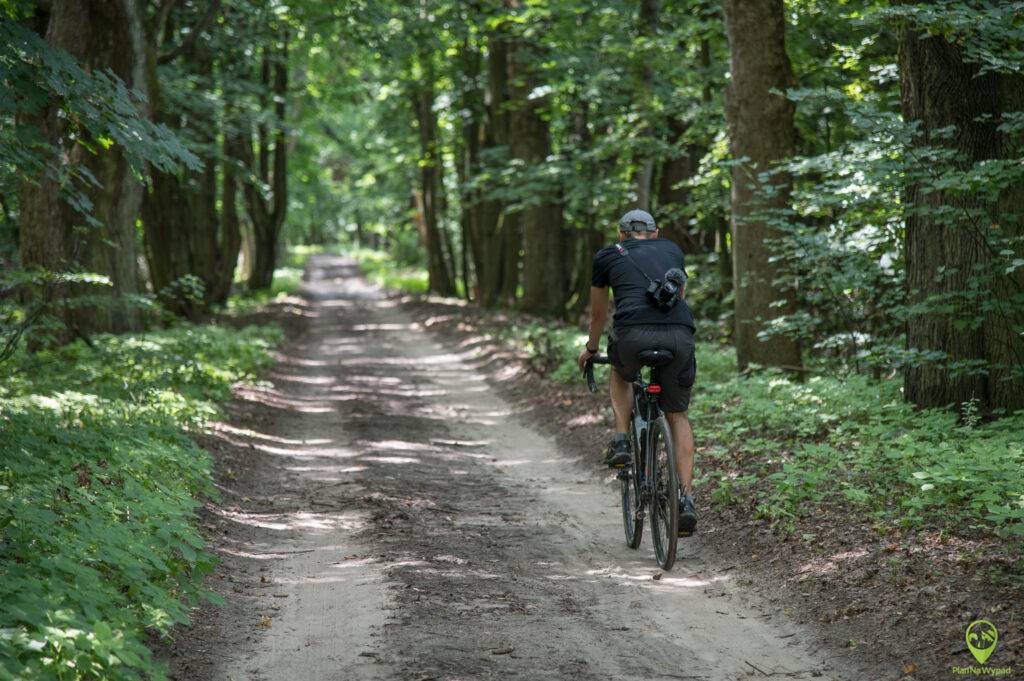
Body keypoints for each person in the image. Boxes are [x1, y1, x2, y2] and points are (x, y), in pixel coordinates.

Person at [576, 209, 698, 535]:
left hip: (632, 335)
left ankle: (620, 439)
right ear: (656, 234)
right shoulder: (673, 250)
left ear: (621, 235)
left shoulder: (607, 256)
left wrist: (591, 349)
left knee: (621, 370)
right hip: (679, 336)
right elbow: (678, 295)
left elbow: (599, 313)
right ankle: (686, 499)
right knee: (679, 414)